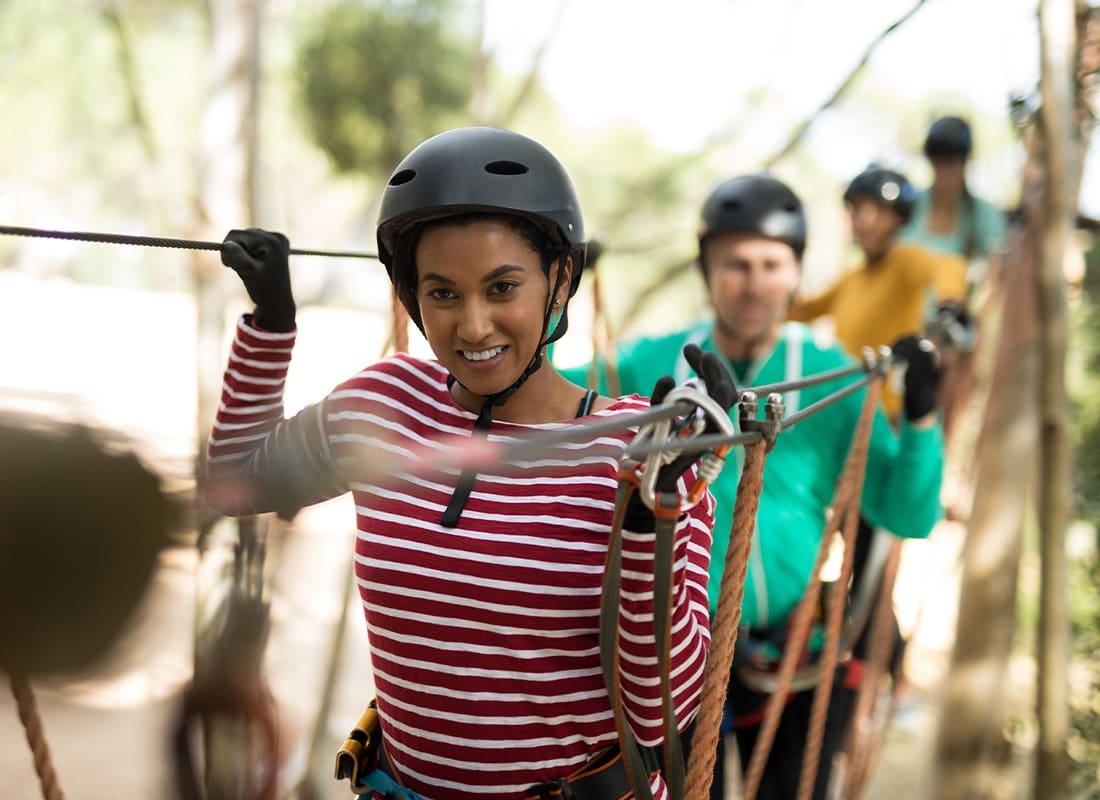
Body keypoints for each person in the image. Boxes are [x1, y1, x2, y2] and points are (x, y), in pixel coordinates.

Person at [202, 126, 735, 800]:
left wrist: (648, 516)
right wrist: (270, 324)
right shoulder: (382, 405)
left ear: (560, 279)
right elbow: (234, 483)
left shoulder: (635, 448)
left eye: (502, 286)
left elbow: (659, 710)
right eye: (443, 293)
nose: (474, 326)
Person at [558, 173, 947, 799]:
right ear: (706, 270)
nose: (753, 282)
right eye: (735, 264)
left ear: (797, 273)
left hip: (791, 649)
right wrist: (553, 293)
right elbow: (546, 401)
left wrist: (924, 417)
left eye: (771, 264)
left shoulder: (828, 379)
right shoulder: (649, 361)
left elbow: (908, 514)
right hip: (669, 654)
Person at [789, 165, 968, 422]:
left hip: (888, 413)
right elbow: (804, 311)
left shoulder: (904, 260)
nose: (865, 220)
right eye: (858, 209)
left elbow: (948, 265)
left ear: (899, 219)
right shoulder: (852, 277)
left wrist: (949, 300)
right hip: (846, 407)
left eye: (878, 211)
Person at [902, 115, 1007, 266]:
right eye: (938, 162)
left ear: (964, 163)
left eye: (951, 163)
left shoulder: (984, 214)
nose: (944, 172)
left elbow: (997, 268)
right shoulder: (911, 204)